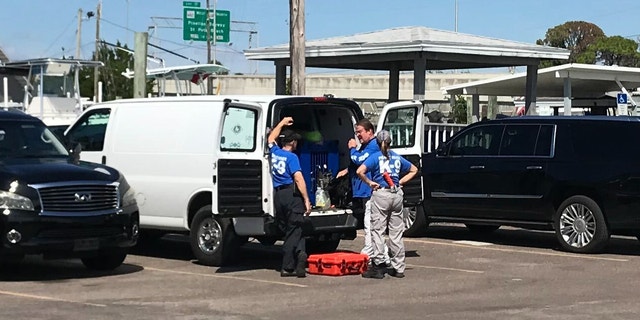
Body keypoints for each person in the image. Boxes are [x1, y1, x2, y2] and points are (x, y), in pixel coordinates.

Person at [357, 130, 418, 279]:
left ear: (377, 143)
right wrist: (401, 182)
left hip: (382, 194)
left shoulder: (375, 157)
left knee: (377, 230)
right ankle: (399, 268)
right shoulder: (396, 157)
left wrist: (370, 183)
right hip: (396, 194)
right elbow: (413, 169)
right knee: (396, 232)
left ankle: (378, 265)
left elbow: (360, 171)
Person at [336, 119, 390, 265]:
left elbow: (359, 160)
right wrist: (347, 171)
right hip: (364, 191)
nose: (357, 135)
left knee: (370, 223)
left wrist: (352, 148)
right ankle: (382, 255)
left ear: (369, 131)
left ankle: (369, 252)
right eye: (356, 132)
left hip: (371, 191)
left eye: (360, 132)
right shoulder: (365, 146)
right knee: (372, 223)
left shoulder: (373, 146)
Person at [268, 116, 312, 278]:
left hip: (279, 195)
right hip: (291, 194)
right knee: (294, 229)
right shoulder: (292, 158)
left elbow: (271, 138)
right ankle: (288, 266)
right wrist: (307, 199)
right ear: (292, 143)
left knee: (293, 227)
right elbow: (298, 179)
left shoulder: (275, 152)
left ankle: (301, 253)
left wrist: (281, 123)